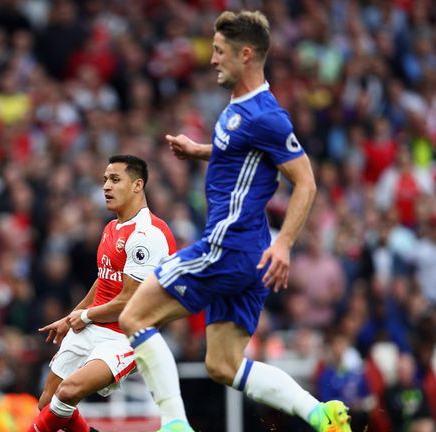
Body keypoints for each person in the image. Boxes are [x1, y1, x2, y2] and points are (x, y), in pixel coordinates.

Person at [118, 10, 351, 432]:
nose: (211, 59)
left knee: (134, 318)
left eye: (219, 51)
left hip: (227, 246)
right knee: (223, 365)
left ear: (246, 55)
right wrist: (201, 150)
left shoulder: (267, 116)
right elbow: (242, 152)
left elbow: (307, 182)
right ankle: (321, 414)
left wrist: (285, 244)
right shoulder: (242, 108)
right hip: (248, 253)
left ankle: (173, 425)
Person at [28, 155, 177, 432]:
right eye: (105, 180)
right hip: (94, 323)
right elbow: (104, 280)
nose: (106, 186)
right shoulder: (111, 227)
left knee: (68, 392)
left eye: (115, 179)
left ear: (137, 185)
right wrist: (72, 316)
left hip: (127, 334)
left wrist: (85, 315)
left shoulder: (148, 234)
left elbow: (130, 300)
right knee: (47, 403)